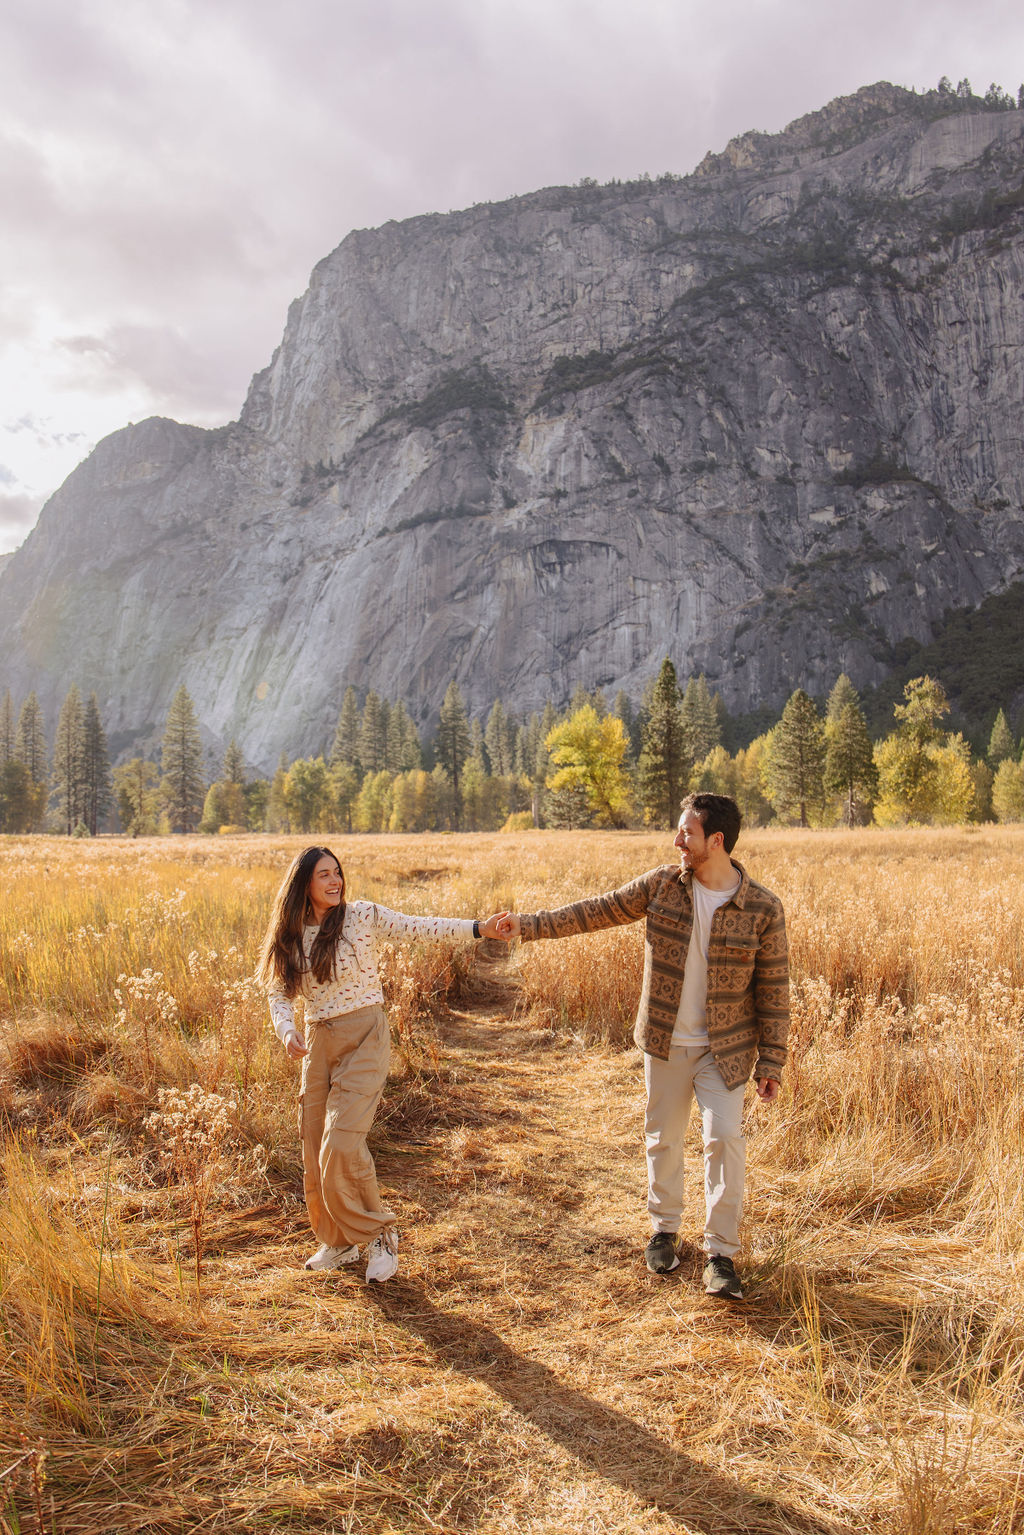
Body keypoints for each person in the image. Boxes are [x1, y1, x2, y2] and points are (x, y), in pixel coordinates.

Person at [497, 793, 788, 1299]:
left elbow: (774, 989)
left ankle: (721, 1255)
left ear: (715, 841)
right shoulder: (661, 886)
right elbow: (596, 911)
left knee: (725, 1141)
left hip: (728, 1051)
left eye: (687, 833)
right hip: (664, 1040)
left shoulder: (762, 908)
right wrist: (530, 925)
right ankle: (664, 1230)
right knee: (663, 1137)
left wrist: (773, 1060)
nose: (677, 841)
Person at [258, 845, 509, 1282]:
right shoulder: (293, 935)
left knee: (342, 1142)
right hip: (319, 1042)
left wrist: (478, 928)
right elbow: (279, 991)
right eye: (324, 875)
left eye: (337, 872)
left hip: (366, 1037)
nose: (335, 881)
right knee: (315, 1149)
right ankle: (337, 1243)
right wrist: (286, 1029)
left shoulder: (362, 916)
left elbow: (420, 927)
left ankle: (378, 1235)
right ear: (304, 884)